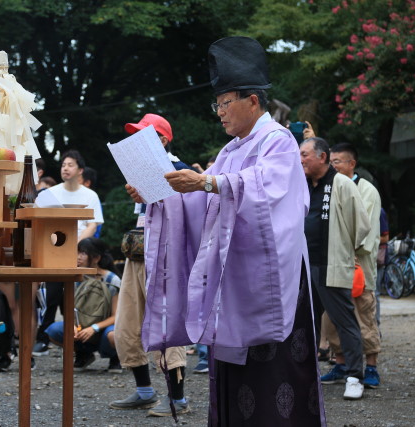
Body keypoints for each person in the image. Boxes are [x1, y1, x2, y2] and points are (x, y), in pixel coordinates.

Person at [126, 37, 326, 425]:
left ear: (253, 100)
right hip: (232, 281)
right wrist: (160, 193)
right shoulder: (231, 150)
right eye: (216, 103)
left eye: (224, 102)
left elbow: (268, 189)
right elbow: (206, 201)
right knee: (233, 377)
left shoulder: (278, 141)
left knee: (274, 377)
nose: (218, 112)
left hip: (269, 281)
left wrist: (207, 183)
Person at [110, 113, 194, 417]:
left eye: (143, 137)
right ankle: (145, 390)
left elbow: (190, 217)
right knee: (128, 319)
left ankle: (178, 398)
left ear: (161, 140)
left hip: (168, 254)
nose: (136, 143)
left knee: (167, 322)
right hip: (140, 250)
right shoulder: (144, 171)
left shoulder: (181, 171)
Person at [300, 136, 371, 400]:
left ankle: (355, 376)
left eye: (305, 154)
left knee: (345, 321)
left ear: (322, 156)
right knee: (306, 323)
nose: (301, 159)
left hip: (332, 263)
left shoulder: (340, 183)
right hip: (305, 265)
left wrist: (345, 251)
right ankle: (306, 374)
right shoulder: (302, 184)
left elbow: (361, 225)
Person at [321, 142, 382, 388]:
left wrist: (347, 250)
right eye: (331, 161)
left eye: (337, 161)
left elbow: (365, 230)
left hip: (359, 265)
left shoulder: (367, 190)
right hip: (333, 265)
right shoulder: (328, 186)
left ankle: (372, 367)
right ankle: (341, 363)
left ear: (352, 164)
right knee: (333, 318)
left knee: (363, 316)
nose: (333, 165)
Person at [34, 150, 104, 357]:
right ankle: (43, 337)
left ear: (80, 170)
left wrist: (76, 246)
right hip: (55, 252)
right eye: (64, 164)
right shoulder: (50, 193)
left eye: (71, 164)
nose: (65, 168)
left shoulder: (90, 195)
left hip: (81, 255)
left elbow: (93, 224)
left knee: (76, 300)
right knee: (53, 295)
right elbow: (41, 224)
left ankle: (79, 345)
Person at [44, 238, 122, 372]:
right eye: (77, 252)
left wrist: (94, 328)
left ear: (96, 258)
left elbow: (117, 316)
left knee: (113, 335)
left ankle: (115, 357)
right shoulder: (74, 277)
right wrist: (72, 325)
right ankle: (83, 354)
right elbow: (70, 309)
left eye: (83, 253)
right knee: (53, 330)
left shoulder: (112, 279)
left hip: (104, 328)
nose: (78, 257)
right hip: (81, 327)